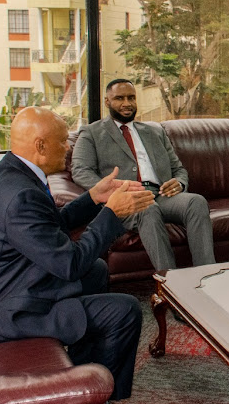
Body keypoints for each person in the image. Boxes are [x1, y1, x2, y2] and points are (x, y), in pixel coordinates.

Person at [0, 107, 155, 404]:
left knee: (97, 271)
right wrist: (111, 214)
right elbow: (68, 263)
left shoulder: (11, 174)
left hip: (13, 285)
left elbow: (50, 227)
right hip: (6, 312)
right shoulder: (20, 194)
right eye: (64, 142)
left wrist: (93, 198)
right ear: (40, 145)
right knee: (125, 310)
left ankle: (79, 365)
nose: (69, 148)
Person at [71, 78, 215, 271]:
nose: (127, 103)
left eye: (131, 98)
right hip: (127, 200)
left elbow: (178, 169)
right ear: (107, 102)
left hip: (161, 194)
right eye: (119, 98)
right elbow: (80, 170)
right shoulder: (91, 133)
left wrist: (179, 183)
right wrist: (110, 192)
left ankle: (206, 274)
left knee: (196, 202)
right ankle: (169, 283)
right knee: (147, 208)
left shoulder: (155, 132)